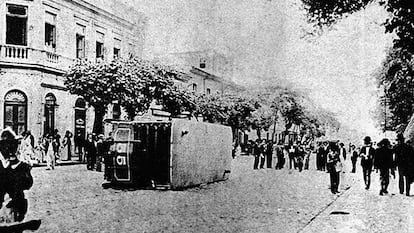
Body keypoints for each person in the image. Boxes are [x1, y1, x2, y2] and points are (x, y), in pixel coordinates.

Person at [0, 127, 33, 223]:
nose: (9, 149)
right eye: (5, 145)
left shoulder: (20, 166)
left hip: (14, 208)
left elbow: (27, 184)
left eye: (12, 145)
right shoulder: (9, 165)